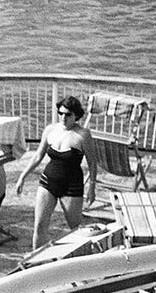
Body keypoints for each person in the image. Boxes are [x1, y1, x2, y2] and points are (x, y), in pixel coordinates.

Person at [15, 96, 97, 249]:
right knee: (39, 226)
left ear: (76, 116)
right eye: (61, 113)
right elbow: (38, 156)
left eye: (68, 115)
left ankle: (78, 263)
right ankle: (37, 264)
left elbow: (92, 163)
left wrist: (92, 188)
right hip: (48, 182)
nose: (63, 117)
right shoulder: (50, 130)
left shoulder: (83, 135)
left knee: (76, 229)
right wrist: (22, 176)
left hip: (72, 186)